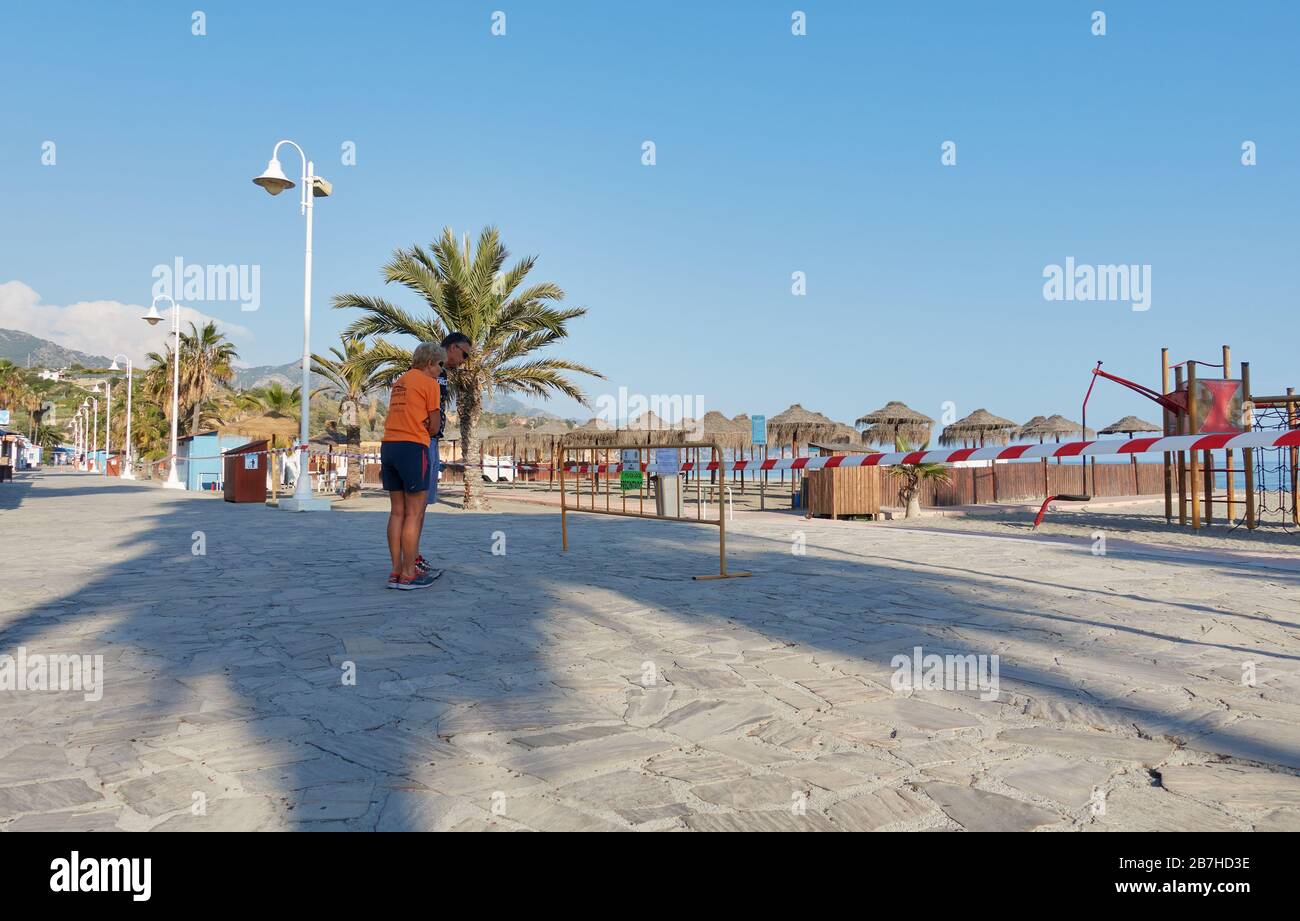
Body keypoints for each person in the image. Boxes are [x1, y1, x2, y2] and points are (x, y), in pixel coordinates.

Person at [379, 342, 445, 590]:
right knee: (414, 514)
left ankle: (396, 571)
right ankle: (409, 574)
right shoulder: (430, 384)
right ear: (429, 362)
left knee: (397, 512)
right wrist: (428, 423)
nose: (441, 370)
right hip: (412, 448)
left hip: (389, 447)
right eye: (440, 365)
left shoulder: (400, 382)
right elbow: (434, 427)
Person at [411, 332, 472, 573]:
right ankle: (409, 560)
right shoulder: (429, 372)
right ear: (453, 348)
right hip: (422, 440)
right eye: (464, 354)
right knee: (415, 505)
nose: (465, 360)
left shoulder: (443, 374)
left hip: (433, 441)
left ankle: (413, 555)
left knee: (422, 504)